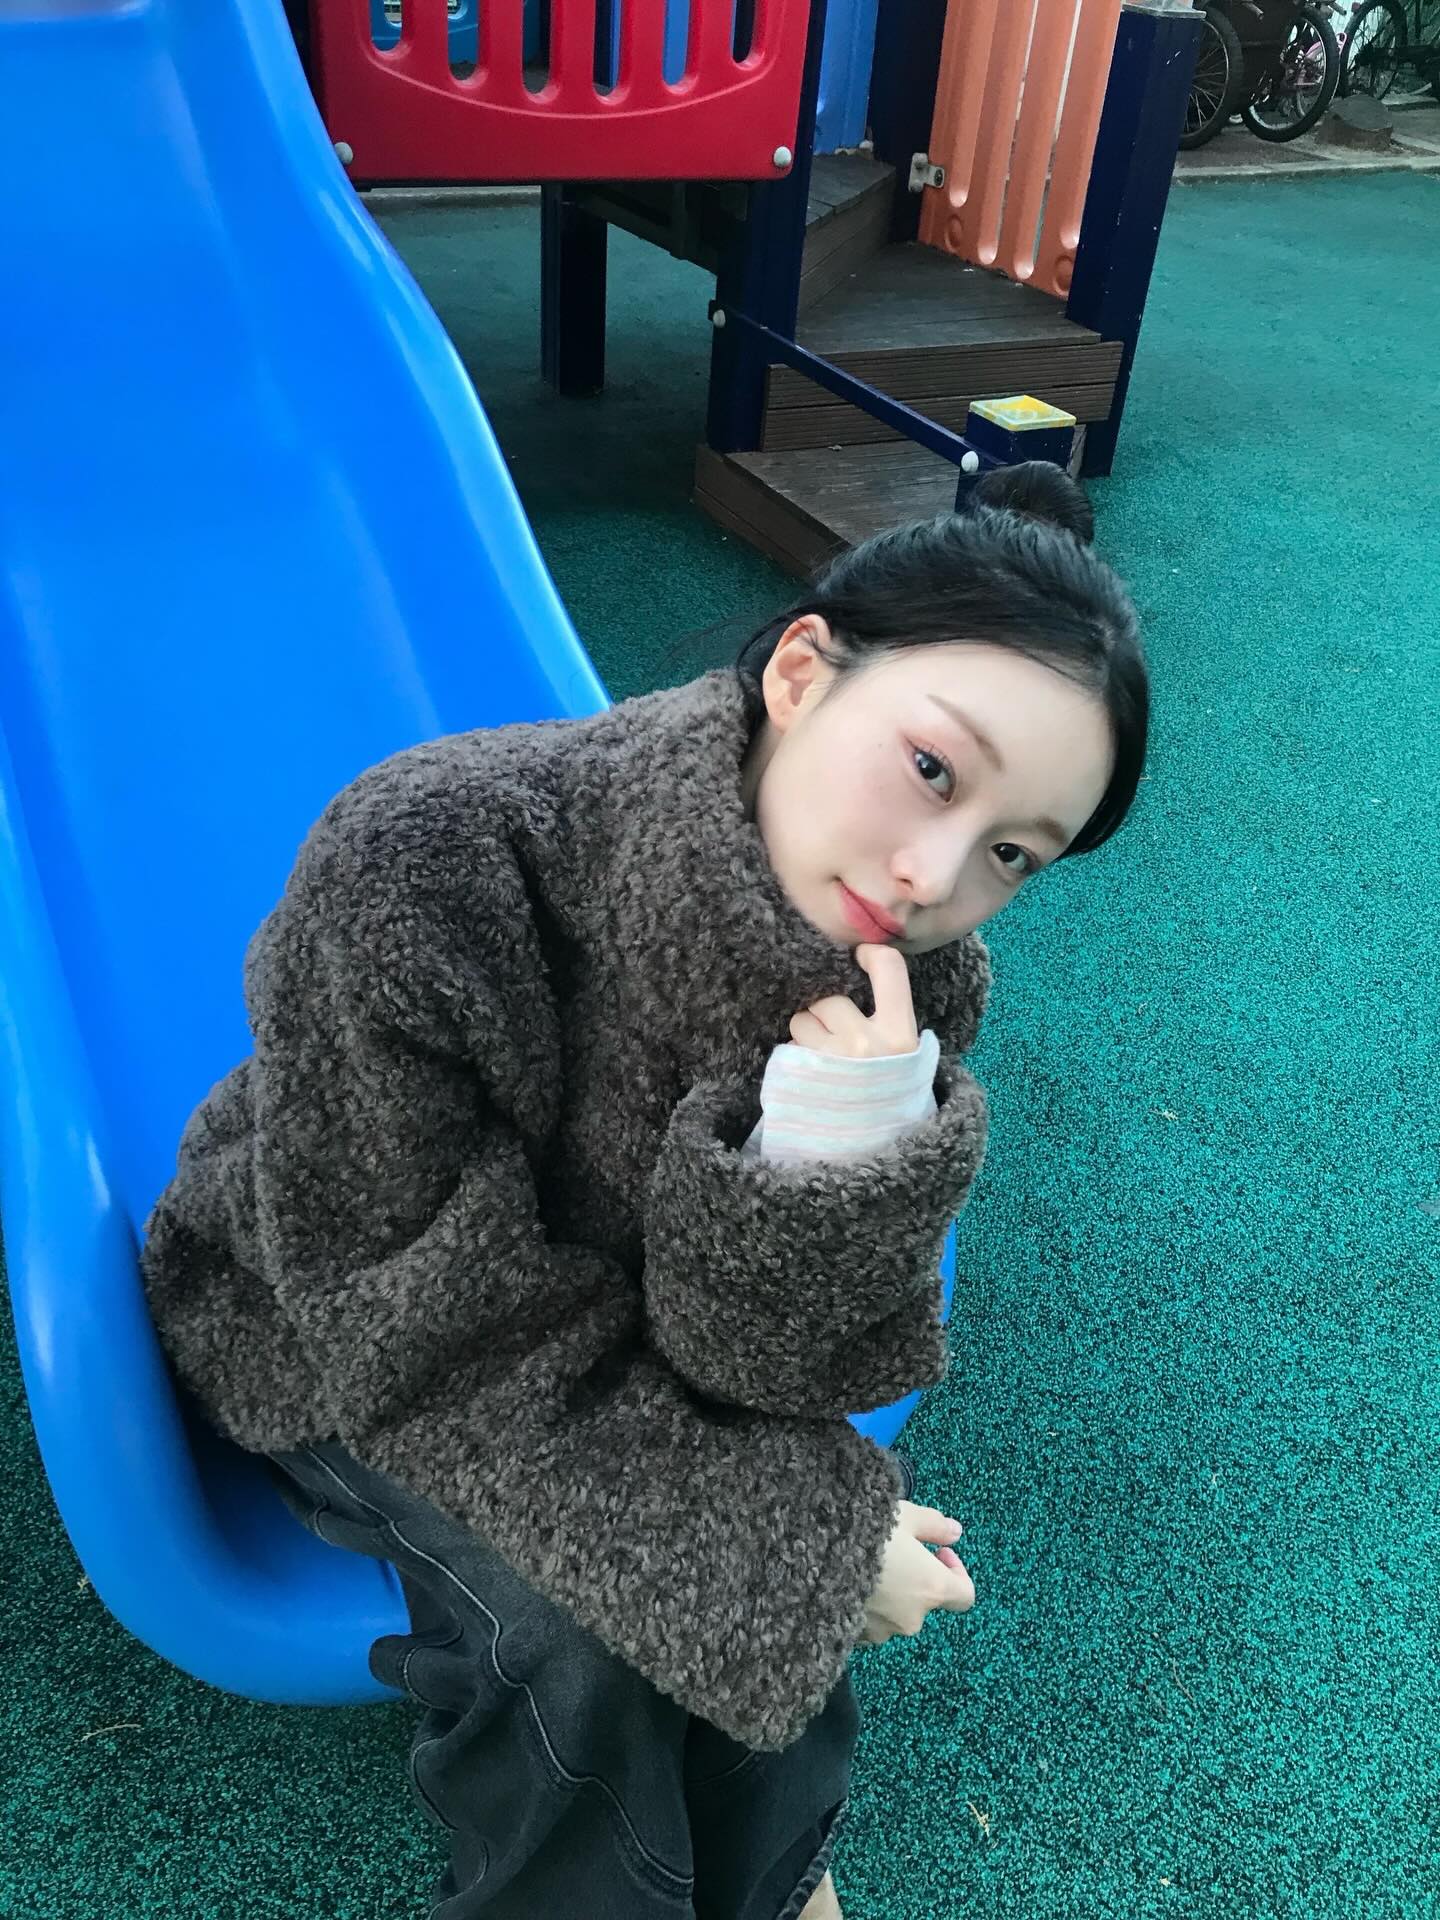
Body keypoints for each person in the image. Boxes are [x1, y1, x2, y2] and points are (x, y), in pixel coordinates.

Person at [139, 465, 1147, 1920]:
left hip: (596, 1338)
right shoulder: (429, 857)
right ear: (802, 671)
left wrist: (828, 1158)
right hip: (333, 1308)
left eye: (1011, 854)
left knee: (781, 1510)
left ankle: (768, 1884)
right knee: (594, 1628)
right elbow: (416, 1327)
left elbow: (768, 1377)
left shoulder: (906, 986)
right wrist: (792, 1547)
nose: (936, 875)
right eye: (934, 767)